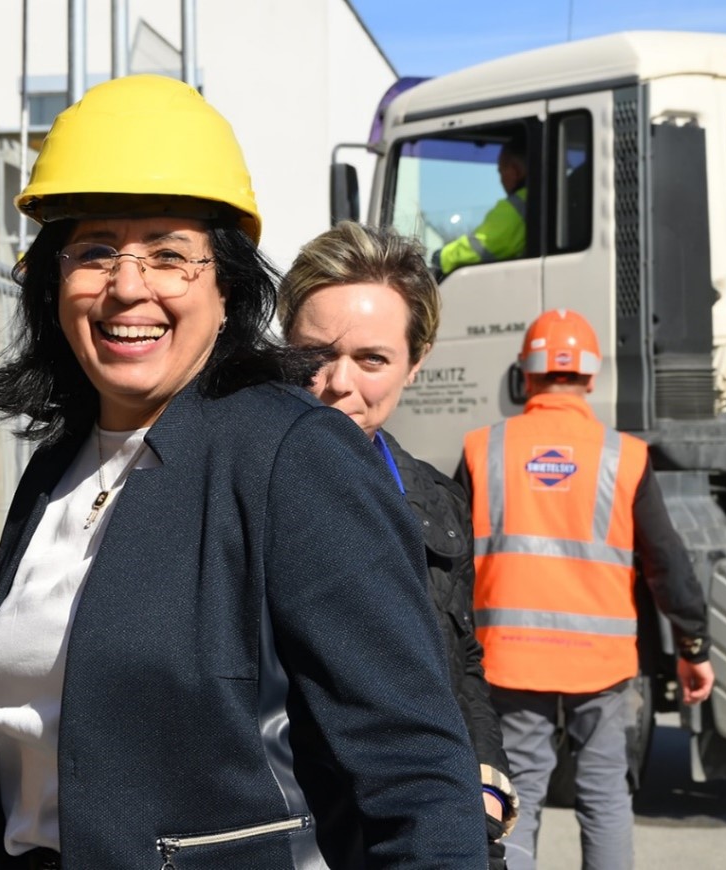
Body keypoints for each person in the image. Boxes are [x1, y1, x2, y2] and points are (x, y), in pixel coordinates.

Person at [0, 74, 488, 869]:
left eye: (170, 255)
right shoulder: (54, 470)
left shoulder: (293, 458)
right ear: (52, 282)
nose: (128, 287)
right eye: (94, 252)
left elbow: (414, 775)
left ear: (228, 286)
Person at [279, 221, 520, 870]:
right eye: (313, 355)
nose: (336, 383)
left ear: (416, 363)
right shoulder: (231, 488)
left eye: (372, 360)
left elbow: (461, 656)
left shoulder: (435, 501)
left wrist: (486, 767)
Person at [455, 309, 715, 870]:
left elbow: (451, 562)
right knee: (603, 793)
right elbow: (666, 562)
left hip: (510, 662)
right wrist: (694, 647)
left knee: (516, 792)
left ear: (525, 372)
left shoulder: (483, 449)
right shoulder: (626, 457)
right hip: (600, 664)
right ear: (592, 378)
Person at [437, 141, 527, 275]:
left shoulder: (518, 204)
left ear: (515, 171)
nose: (501, 180)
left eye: (501, 171)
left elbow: (483, 245)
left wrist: (442, 257)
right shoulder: (552, 195)